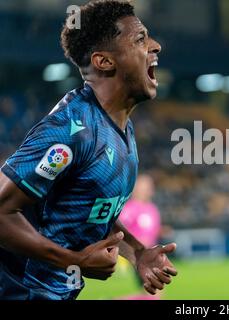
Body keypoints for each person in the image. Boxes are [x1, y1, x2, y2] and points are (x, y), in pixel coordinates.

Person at [0, 0, 177, 300]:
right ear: (104, 61)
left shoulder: (120, 127)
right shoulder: (71, 130)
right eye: (140, 39)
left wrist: (136, 252)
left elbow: (87, 209)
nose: (156, 46)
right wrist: (76, 261)